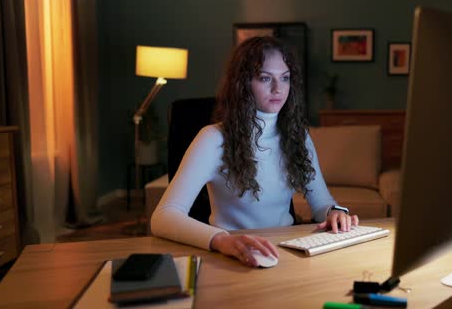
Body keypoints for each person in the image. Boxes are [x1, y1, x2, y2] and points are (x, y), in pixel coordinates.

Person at [151, 36, 359, 267]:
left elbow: (321, 203)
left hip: (286, 253)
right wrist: (222, 241)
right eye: (265, 78)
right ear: (242, 83)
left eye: (285, 78)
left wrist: (335, 214)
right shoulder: (213, 138)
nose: (278, 89)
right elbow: (164, 216)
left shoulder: (298, 135)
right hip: (232, 255)